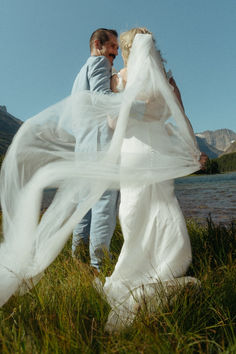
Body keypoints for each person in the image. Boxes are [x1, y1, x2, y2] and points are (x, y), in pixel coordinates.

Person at [97, 27, 205, 331]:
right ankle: (170, 262)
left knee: (133, 209)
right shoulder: (166, 81)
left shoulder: (116, 80)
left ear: (127, 49)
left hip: (132, 154)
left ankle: (135, 265)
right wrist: (193, 151)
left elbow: (111, 122)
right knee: (164, 206)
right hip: (158, 152)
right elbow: (181, 117)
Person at [71, 28, 120, 272]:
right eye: (113, 48)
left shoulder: (80, 74)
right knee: (103, 205)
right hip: (100, 146)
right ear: (98, 45)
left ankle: (76, 260)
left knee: (84, 207)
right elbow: (103, 99)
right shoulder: (100, 63)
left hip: (83, 149)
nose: (116, 54)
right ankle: (99, 267)